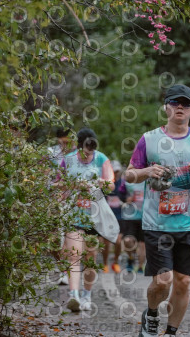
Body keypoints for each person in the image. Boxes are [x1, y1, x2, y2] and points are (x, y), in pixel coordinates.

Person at [126, 84, 190, 337]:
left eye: (185, 103)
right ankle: (152, 313)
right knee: (163, 281)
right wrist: (147, 171)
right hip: (157, 223)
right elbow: (129, 174)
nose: (180, 107)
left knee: (184, 282)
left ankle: (171, 332)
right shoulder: (149, 139)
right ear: (166, 106)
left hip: (189, 224)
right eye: (175, 102)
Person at [59, 128, 115, 312]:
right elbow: (57, 183)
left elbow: (111, 184)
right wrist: (74, 184)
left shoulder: (101, 159)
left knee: (90, 258)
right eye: (86, 148)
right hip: (73, 214)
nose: (89, 152)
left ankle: (86, 295)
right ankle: (73, 295)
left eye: (92, 148)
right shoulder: (68, 160)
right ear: (78, 146)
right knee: (74, 255)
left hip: (94, 217)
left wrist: (101, 182)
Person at [47, 128, 75, 285]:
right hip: (53, 200)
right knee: (53, 240)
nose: (66, 145)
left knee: (67, 237)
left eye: (69, 142)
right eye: (63, 142)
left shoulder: (79, 154)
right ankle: (62, 267)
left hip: (72, 202)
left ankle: (67, 271)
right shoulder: (51, 153)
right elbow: (44, 174)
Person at [101, 159, 124, 274]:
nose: (116, 173)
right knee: (106, 242)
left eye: (117, 171)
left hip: (119, 216)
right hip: (107, 216)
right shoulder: (105, 183)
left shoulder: (123, 184)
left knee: (118, 241)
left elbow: (128, 196)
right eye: (114, 171)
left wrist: (126, 201)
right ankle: (105, 263)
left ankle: (115, 262)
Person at [121, 178, 147, 273]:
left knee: (142, 245)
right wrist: (125, 199)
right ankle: (131, 259)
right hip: (131, 217)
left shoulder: (149, 180)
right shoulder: (128, 181)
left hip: (145, 217)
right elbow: (118, 194)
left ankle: (140, 267)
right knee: (127, 241)